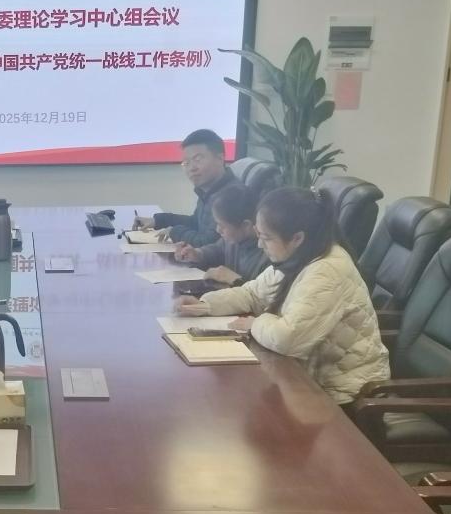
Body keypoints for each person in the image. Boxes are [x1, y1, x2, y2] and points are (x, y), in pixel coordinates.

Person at [174, 187, 389, 407]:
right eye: (259, 235)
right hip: (310, 376)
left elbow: (289, 338)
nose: (260, 245)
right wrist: (204, 305)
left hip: (348, 391)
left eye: (266, 238)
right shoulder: (299, 256)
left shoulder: (327, 270)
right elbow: (251, 293)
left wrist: (255, 323)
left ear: (297, 238)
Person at [134, 129, 241, 246]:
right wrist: (159, 221)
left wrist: (174, 232)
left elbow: (208, 243)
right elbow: (195, 223)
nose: (192, 168)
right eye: (186, 163)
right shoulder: (209, 190)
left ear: (220, 158)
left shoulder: (231, 196)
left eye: (197, 159)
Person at [175, 183, 269, 286]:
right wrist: (198, 254)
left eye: (222, 225)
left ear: (246, 225)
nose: (218, 230)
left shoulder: (268, 256)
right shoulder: (234, 239)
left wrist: (234, 280)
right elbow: (217, 250)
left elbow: (260, 294)